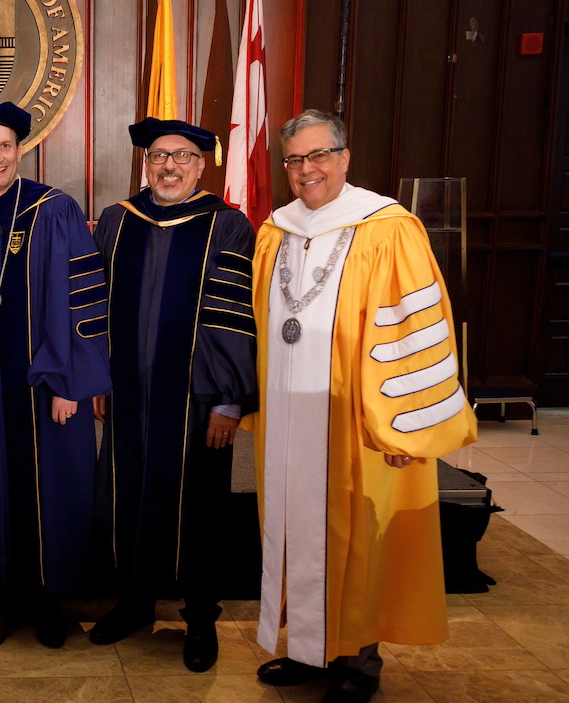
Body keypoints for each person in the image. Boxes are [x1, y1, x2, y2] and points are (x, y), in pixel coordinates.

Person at [245, 109, 477, 703]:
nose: (307, 170)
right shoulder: (276, 231)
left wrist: (405, 432)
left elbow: (411, 330)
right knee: (293, 528)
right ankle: (306, 648)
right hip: (290, 417)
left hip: (355, 420)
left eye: (319, 155)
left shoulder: (386, 228)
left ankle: (358, 664)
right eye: (295, 159)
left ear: (345, 158)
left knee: (355, 537)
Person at [90, 118, 257, 672]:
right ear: (145, 163)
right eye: (159, 155)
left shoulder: (228, 227)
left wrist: (228, 399)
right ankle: (134, 603)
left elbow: (234, 315)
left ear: (202, 164)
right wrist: (98, 378)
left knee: (198, 506)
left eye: (182, 156)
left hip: (196, 399)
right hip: (129, 393)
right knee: (129, 495)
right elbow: (98, 310)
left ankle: (201, 619)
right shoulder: (118, 221)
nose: (168, 166)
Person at [0, 102, 112, 652]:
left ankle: (50, 600)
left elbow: (82, 300)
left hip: (44, 387)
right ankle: (0, 600)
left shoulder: (53, 209)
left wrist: (68, 383)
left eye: (4, 147)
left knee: (52, 490)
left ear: (21, 150)